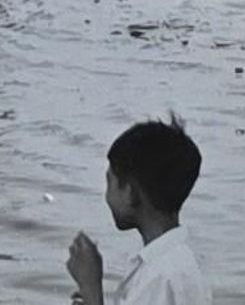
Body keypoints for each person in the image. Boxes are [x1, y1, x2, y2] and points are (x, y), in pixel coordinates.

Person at [66, 115, 211, 305]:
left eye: (110, 183)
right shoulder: (171, 263)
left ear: (130, 193)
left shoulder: (161, 275)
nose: (107, 196)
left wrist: (91, 289)